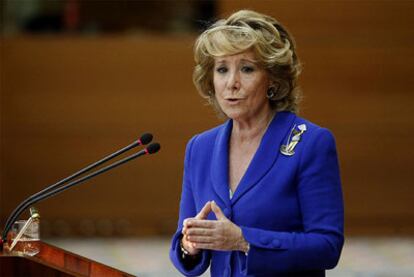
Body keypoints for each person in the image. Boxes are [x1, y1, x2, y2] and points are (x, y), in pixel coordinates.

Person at [169, 10, 344, 277]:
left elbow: (327, 247)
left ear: (272, 79)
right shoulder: (200, 148)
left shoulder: (311, 143)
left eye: (247, 69)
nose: (231, 83)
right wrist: (189, 245)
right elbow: (184, 245)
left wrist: (243, 240)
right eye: (222, 69)